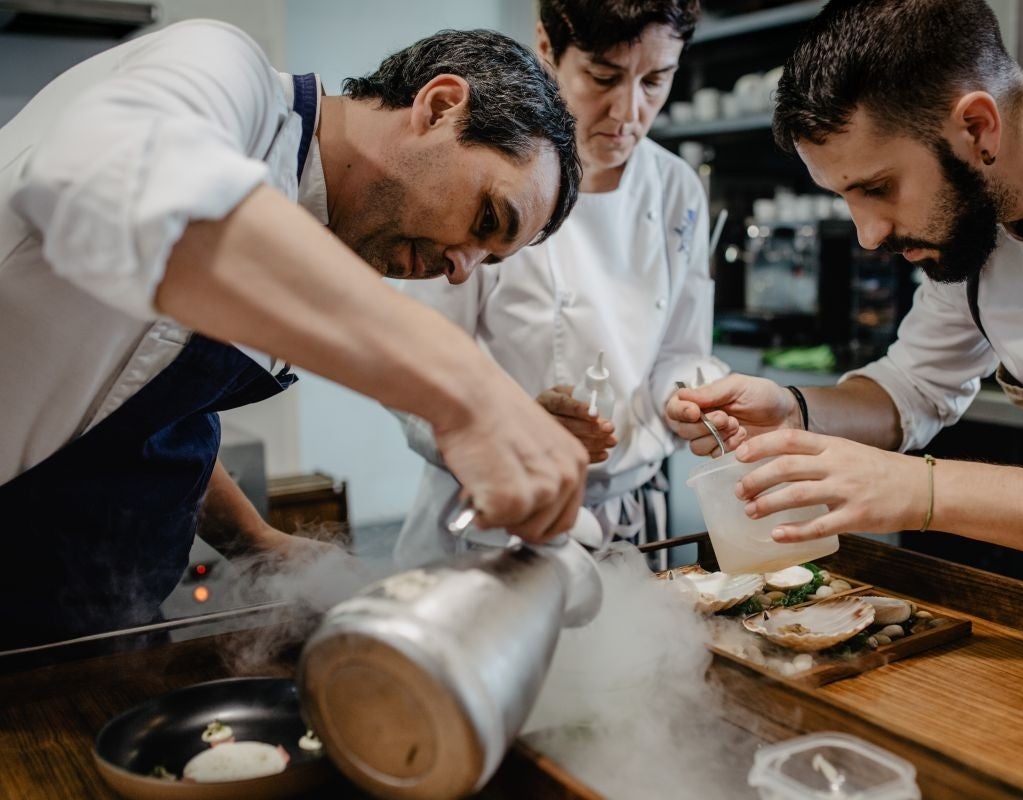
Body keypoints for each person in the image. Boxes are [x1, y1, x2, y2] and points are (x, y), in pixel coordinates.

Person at [0, 20, 588, 647]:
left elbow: (140, 413)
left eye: (488, 260)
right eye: (486, 218)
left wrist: (255, 541)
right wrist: (463, 387)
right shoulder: (224, 71)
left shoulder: (302, 236)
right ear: (440, 106)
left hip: (91, 633)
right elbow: (109, 184)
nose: (459, 270)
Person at [667, 0, 1023, 627]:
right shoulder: (974, 214)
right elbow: (913, 388)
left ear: (977, 127)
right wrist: (793, 410)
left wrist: (917, 490)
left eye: (878, 187)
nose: (868, 235)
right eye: (845, 197)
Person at [392, 0, 726, 568]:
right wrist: (513, 428)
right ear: (547, 46)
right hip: (494, 519)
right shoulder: (491, 172)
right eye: (604, 77)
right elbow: (413, 376)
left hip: (631, 520)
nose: (628, 112)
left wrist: (689, 400)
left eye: (656, 80)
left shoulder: (675, 189)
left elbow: (679, 353)